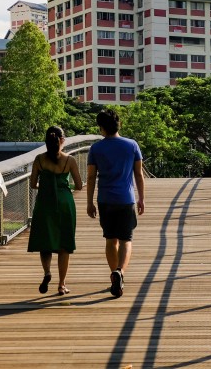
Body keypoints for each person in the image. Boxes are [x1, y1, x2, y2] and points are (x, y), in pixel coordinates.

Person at [86, 110, 144, 298]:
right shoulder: (132, 145)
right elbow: (139, 174)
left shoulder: (96, 149)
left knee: (111, 240)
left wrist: (89, 202)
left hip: (105, 199)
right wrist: (141, 198)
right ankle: (120, 272)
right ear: (119, 125)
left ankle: (114, 274)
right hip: (126, 199)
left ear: (102, 128)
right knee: (126, 239)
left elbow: (91, 176)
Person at [27, 125, 83, 295]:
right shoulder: (70, 160)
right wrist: (65, 186)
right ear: (62, 141)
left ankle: (47, 272)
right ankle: (61, 285)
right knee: (64, 245)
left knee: (46, 242)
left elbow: (32, 184)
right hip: (65, 203)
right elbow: (79, 185)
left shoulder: (39, 160)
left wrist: (46, 185)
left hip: (45, 203)